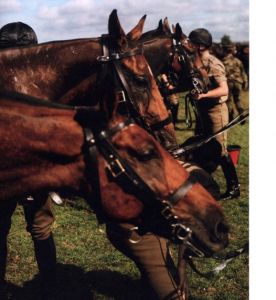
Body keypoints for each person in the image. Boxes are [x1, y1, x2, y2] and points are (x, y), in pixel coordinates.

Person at [0, 22, 57, 299]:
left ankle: (48, 284)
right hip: (20, 170)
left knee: (38, 227)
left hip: (27, 171)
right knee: (38, 227)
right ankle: (48, 285)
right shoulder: (42, 83)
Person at [187, 28, 240, 201]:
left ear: (201, 46)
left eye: (192, 42)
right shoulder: (194, 61)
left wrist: (203, 95)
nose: (189, 44)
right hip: (202, 110)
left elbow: (223, 89)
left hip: (216, 111)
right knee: (203, 146)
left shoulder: (214, 63)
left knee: (221, 150)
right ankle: (203, 182)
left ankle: (234, 188)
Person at [222, 42, 248, 121]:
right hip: (238, 82)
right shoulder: (238, 60)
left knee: (228, 100)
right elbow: (243, 72)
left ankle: (230, 118)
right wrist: (245, 82)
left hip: (228, 82)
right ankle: (242, 116)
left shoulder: (222, 61)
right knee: (237, 99)